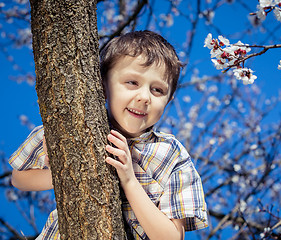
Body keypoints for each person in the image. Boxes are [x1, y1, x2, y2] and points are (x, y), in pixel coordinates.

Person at [9, 30, 208, 240]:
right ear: (103, 86)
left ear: (168, 100)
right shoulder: (73, 128)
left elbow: (171, 237)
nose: (144, 97)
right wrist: (61, 174)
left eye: (157, 90)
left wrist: (129, 179)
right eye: (132, 82)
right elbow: (18, 179)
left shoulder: (171, 154)